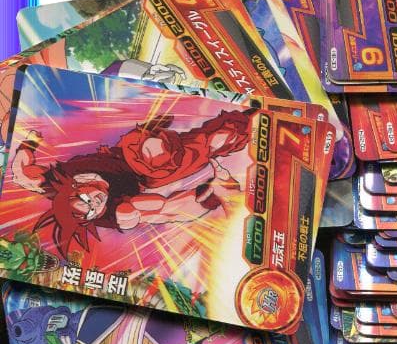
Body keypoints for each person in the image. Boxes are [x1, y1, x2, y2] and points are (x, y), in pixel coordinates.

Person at [10, 108, 254, 257]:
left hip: (125, 149)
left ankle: (152, 131)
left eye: (86, 199)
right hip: (149, 172)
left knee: (157, 147)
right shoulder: (118, 212)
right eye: (92, 210)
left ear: (76, 185)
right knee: (198, 145)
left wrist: (29, 142)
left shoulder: (55, 181)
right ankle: (249, 122)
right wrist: (212, 196)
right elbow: (166, 211)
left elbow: (22, 174)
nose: (96, 202)